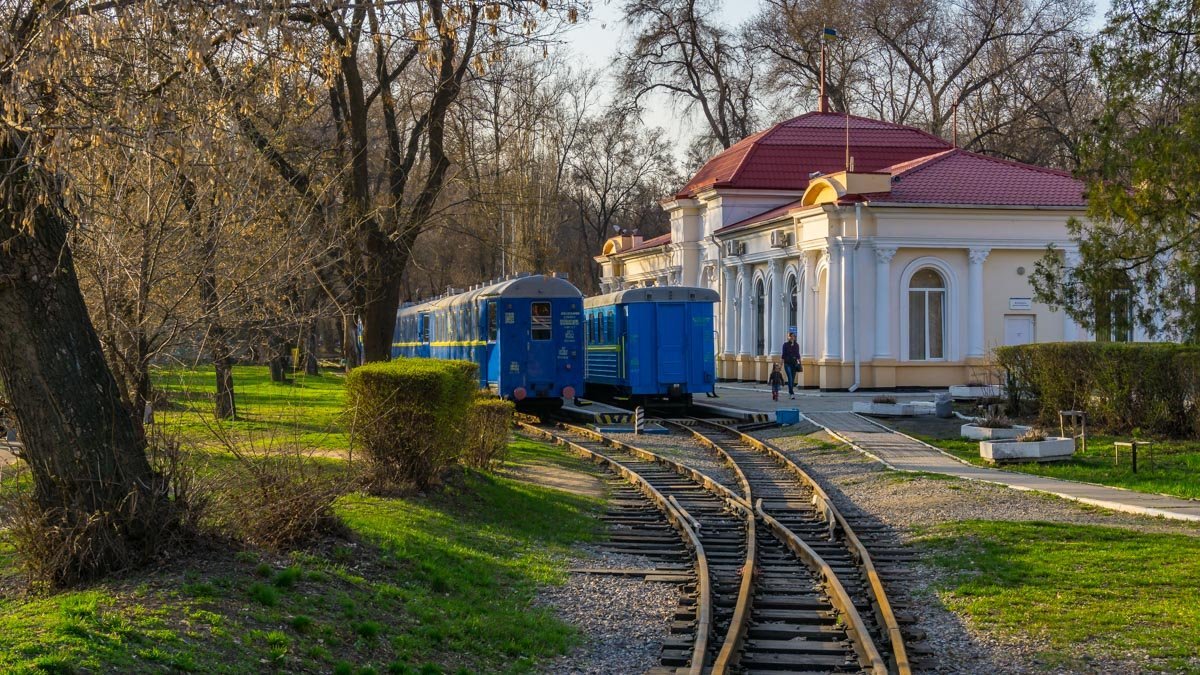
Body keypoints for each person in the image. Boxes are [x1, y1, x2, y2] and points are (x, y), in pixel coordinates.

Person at [781, 332, 801, 399]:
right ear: (788, 337)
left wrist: (799, 362)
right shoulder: (785, 345)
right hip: (787, 363)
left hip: (794, 364)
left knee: (792, 379)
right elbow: (783, 355)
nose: (792, 337)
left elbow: (797, 355)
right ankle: (792, 393)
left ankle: (790, 392)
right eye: (791, 336)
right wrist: (781, 364)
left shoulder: (796, 345)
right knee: (790, 378)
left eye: (793, 336)